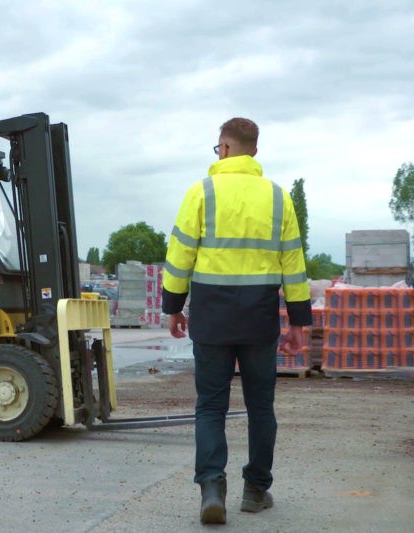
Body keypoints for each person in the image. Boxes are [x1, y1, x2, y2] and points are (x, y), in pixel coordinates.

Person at [161, 118, 312, 525]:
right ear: (254, 152)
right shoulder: (279, 199)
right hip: (259, 319)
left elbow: (180, 257)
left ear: (224, 148)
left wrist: (173, 305)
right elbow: (293, 265)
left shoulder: (201, 193)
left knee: (210, 407)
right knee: (261, 406)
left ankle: (212, 487)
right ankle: (256, 489)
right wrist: (298, 321)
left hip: (211, 318)